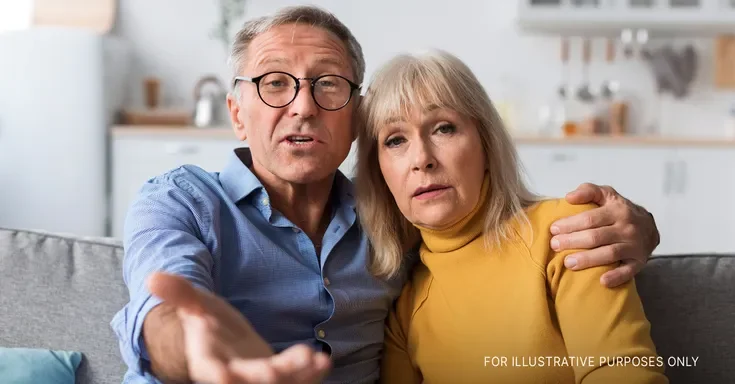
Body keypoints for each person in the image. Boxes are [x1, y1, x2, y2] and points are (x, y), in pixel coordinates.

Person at [111, 5, 661, 384]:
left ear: (354, 122)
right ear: (237, 114)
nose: (302, 105)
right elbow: (163, 304)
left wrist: (640, 227)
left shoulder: (395, 228)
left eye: (327, 84)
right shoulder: (180, 203)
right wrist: (200, 354)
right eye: (274, 82)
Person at [354, 49, 668, 384]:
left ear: (486, 145)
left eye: (443, 128)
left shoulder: (569, 231)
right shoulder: (404, 311)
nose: (422, 159)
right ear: (380, 173)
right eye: (395, 139)